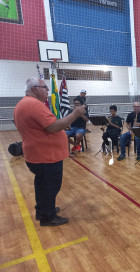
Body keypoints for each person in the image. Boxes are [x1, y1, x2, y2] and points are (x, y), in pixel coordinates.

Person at [14, 77, 86, 226]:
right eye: (44, 87)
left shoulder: (23, 104)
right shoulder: (34, 105)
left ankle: (44, 209)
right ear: (34, 89)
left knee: (42, 184)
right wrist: (75, 114)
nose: (47, 90)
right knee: (50, 186)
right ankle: (48, 217)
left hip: (37, 154)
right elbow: (53, 127)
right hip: (45, 156)